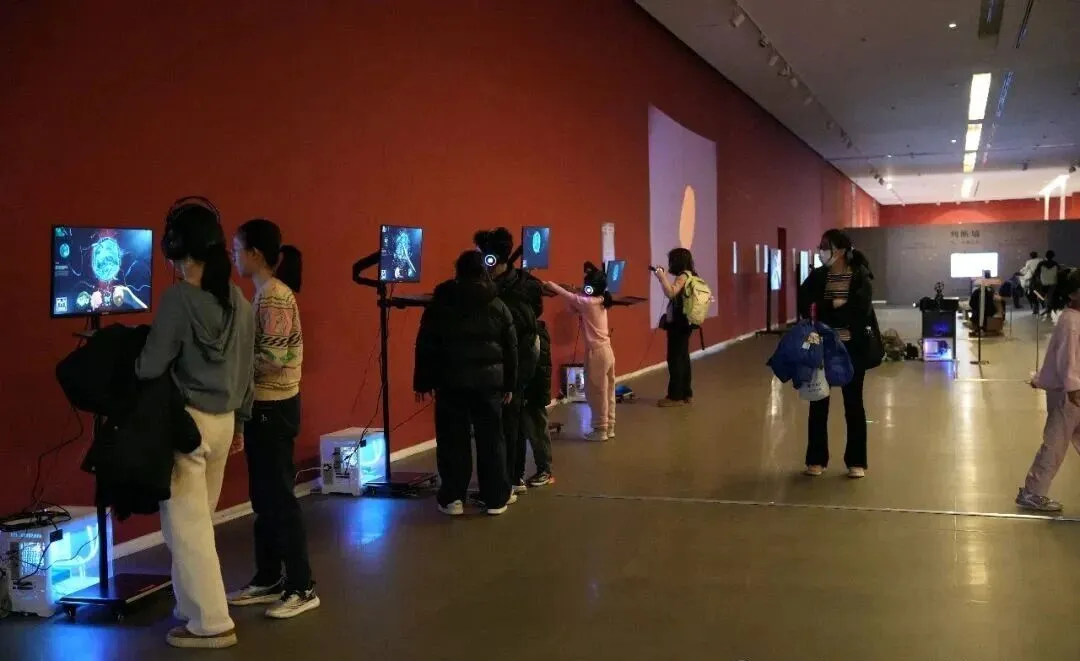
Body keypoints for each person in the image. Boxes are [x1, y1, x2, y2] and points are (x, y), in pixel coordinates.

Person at [136, 199, 254, 649]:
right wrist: (240, 422)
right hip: (224, 424)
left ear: (175, 246)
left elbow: (149, 367)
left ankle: (211, 623)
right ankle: (189, 607)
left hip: (188, 427)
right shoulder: (239, 300)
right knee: (197, 524)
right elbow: (246, 370)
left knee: (187, 532)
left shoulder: (179, 299)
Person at [227, 219, 319, 619]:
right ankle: (268, 577)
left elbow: (275, 357)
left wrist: (230, 366)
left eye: (237, 250)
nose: (234, 257)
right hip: (263, 406)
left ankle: (302, 585)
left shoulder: (275, 297)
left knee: (279, 498)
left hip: (275, 407)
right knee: (263, 498)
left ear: (255, 254)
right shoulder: (264, 294)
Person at [414, 250, 519, 515]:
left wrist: (423, 381)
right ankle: (495, 499)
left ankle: (453, 498)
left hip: (451, 382)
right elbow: (511, 348)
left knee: (452, 441)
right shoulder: (497, 304)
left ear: (457, 271)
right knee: (492, 440)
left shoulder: (441, 303)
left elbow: (426, 344)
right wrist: (509, 384)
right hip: (489, 385)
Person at [797, 229, 882, 479]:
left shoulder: (860, 277)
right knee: (818, 402)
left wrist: (829, 312)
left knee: (853, 404)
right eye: (821, 246)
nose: (822, 251)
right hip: (822, 348)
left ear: (842, 250)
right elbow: (806, 307)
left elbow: (859, 312)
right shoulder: (818, 277)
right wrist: (832, 305)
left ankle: (856, 461)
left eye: (827, 246)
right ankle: (816, 460)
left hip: (852, 349)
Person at [475, 228, 540, 495]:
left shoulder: (509, 293)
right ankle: (513, 477)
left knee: (508, 426)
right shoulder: (523, 285)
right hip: (509, 364)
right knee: (512, 424)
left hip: (512, 365)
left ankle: (508, 480)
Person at [1016, 269, 1080, 512]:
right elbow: (1067, 358)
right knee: (1055, 443)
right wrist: (1073, 388)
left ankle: (1033, 491)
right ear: (1073, 293)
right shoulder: (1070, 320)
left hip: (1072, 390)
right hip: (1068, 394)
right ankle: (1032, 492)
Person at [545, 264, 616, 441]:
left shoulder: (588, 302)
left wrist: (551, 285)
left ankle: (600, 430)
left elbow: (568, 296)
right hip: (606, 351)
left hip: (597, 353)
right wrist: (575, 291)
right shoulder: (600, 299)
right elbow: (572, 307)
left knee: (596, 393)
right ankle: (609, 426)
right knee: (608, 392)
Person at [652, 248, 696, 407]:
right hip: (686, 323)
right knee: (683, 357)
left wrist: (661, 277)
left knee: (675, 359)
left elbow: (671, 293)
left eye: (671, 260)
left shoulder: (683, 276)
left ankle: (675, 396)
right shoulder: (692, 275)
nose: (670, 263)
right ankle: (687, 393)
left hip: (678, 324)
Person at [1035, 250, 1060, 320]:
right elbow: (1058, 271)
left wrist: (1038, 279)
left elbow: (1037, 272)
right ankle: (1049, 309)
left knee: (1043, 296)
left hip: (1043, 282)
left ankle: (1047, 309)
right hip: (1053, 282)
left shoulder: (1041, 263)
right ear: (1053, 256)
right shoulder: (1055, 263)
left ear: (1046, 256)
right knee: (1050, 296)